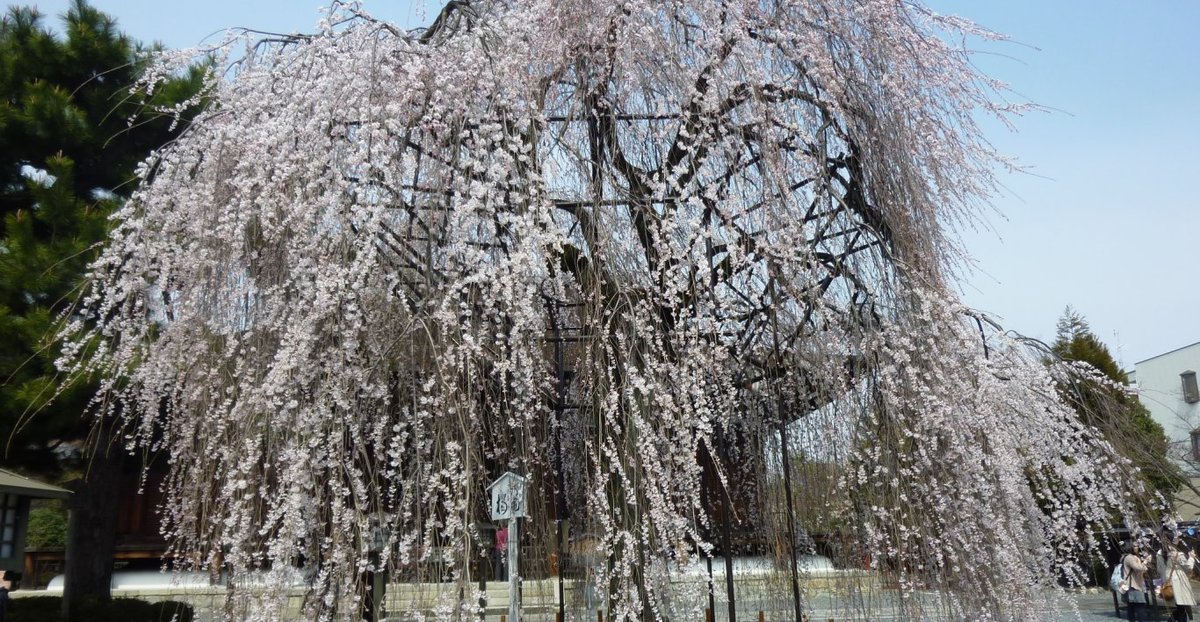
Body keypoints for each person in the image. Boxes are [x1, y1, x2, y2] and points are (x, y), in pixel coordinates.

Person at [1158, 531, 1197, 622]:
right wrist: (1191, 557)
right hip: (1179, 581)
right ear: (1173, 540)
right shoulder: (1178, 555)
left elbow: (1159, 569)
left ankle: (1172, 620)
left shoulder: (1159, 553)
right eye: (1177, 538)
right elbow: (1188, 567)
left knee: (1179, 606)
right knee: (1182, 605)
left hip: (1168, 582)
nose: (1179, 540)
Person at [1124, 540, 1151, 622]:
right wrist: (1146, 561)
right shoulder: (1129, 558)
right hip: (1133, 585)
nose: (1137, 548)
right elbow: (1139, 568)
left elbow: (1143, 569)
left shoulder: (1134, 557)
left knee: (1132, 607)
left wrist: (1144, 564)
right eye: (1135, 546)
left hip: (1136, 584)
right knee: (1140, 606)